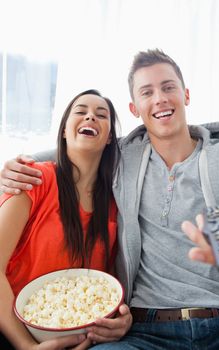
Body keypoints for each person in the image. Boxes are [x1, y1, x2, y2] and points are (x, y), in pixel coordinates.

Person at [1, 49, 219, 349]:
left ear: (186, 94)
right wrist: (19, 164)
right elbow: (80, 148)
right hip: (148, 330)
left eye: (168, 87)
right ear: (135, 108)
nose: (159, 98)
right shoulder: (126, 156)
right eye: (147, 92)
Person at [0, 89, 132, 350]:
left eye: (101, 115)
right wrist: (26, 346)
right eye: (80, 112)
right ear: (63, 131)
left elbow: (107, 287)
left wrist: (122, 320)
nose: (90, 117)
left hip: (80, 339)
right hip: (10, 330)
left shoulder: (115, 206)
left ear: (109, 139)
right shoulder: (33, 179)